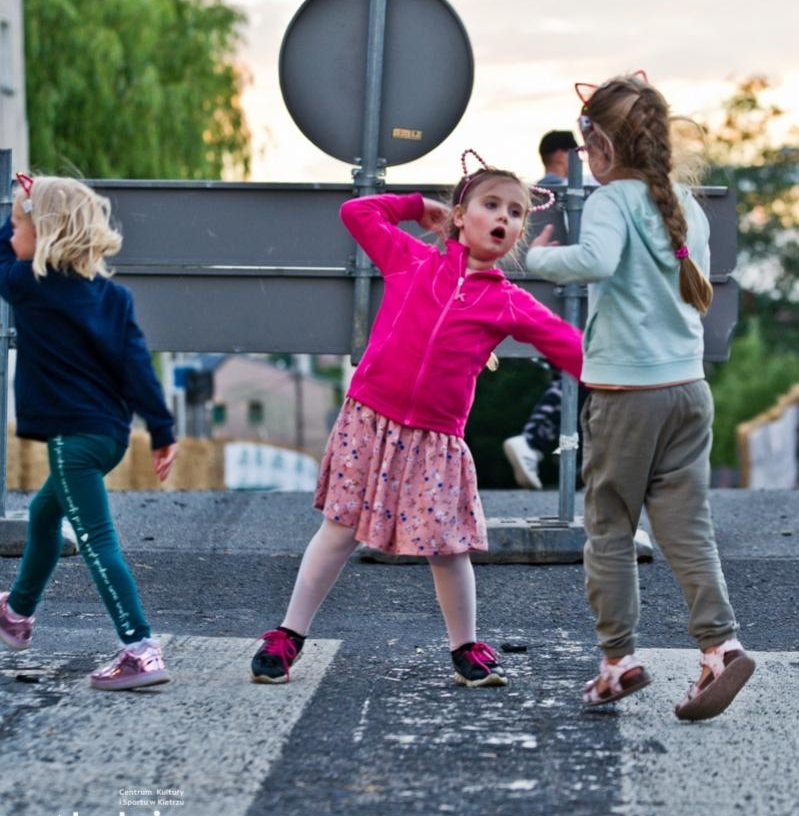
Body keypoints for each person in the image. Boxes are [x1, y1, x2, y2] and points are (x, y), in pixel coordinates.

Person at [250, 153, 583, 689]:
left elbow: (568, 345)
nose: (504, 217)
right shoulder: (409, 258)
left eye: (516, 212)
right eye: (491, 204)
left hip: (436, 439)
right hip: (370, 421)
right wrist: (415, 206)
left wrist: (623, 376)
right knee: (338, 532)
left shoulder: (507, 302)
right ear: (460, 215)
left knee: (447, 549)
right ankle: (288, 635)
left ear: (520, 231)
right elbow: (357, 214)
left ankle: (466, 648)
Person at [526, 74, 755, 720]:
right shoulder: (681, 201)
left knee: (608, 529)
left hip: (627, 394)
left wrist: (536, 261)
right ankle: (719, 648)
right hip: (686, 388)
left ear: (596, 142)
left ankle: (617, 661)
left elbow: (594, 261)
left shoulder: (610, 199)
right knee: (687, 529)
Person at [0, 175, 177, 691]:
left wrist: (24, 205)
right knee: (42, 512)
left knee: (98, 543)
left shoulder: (26, 286)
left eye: (18, 226)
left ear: (46, 232)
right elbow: (137, 367)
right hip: (109, 437)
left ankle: (140, 650)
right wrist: (162, 430)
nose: (11, 236)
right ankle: (17, 612)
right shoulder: (113, 297)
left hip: (71, 441)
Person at [503, 130, 579, 490]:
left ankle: (536, 444)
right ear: (564, 155)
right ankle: (532, 441)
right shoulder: (569, 197)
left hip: (529, 308)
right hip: (566, 307)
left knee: (570, 380)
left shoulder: (529, 200)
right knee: (579, 377)